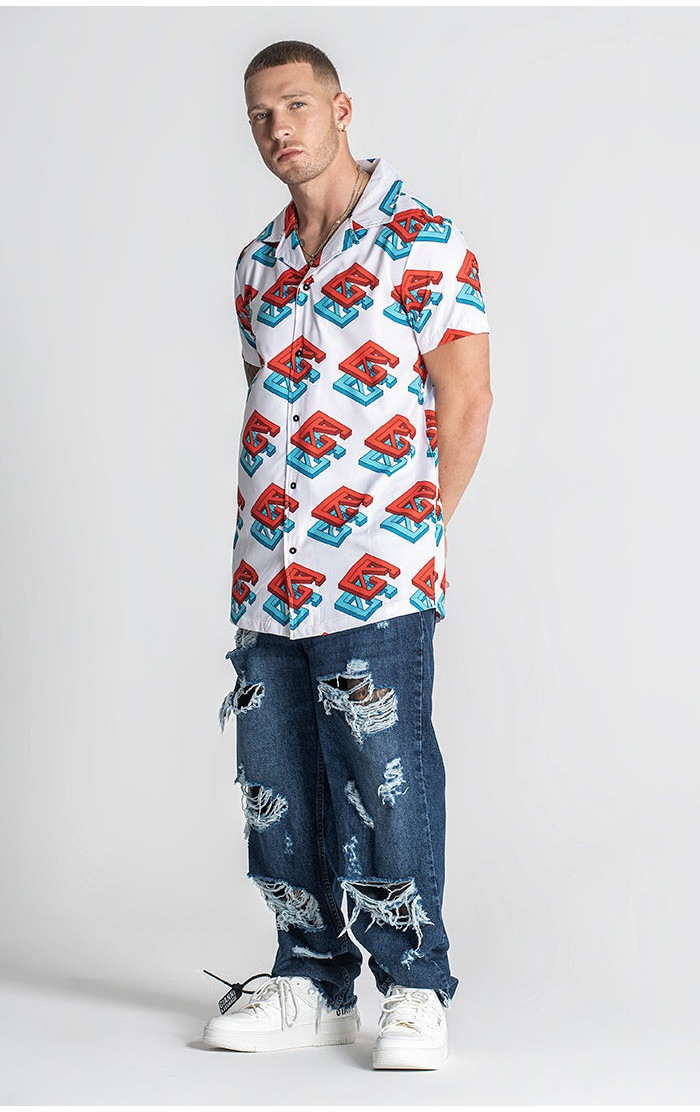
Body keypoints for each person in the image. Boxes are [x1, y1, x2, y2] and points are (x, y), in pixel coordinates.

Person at [203, 39, 492, 1071]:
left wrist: (416, 533)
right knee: (274, 779)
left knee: (385, 772)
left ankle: (413, 986)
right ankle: (311, 978)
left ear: (341, 109)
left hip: (378, 568)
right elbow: (269, 405)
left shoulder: (422, 240)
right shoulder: (258, 265)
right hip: (266, 574)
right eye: (260, 115)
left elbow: (467, 399)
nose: (278, 128)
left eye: (294, 105)